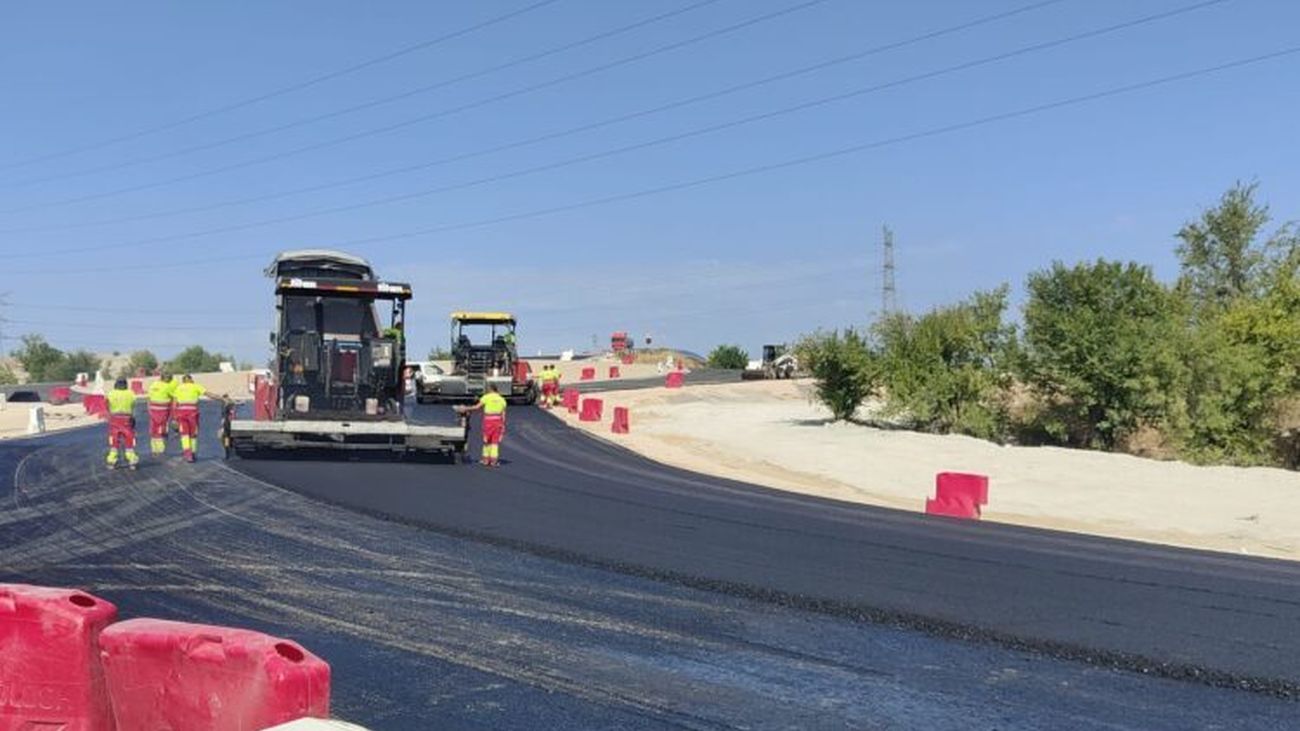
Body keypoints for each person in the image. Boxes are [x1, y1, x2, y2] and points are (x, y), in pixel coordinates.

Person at [457, 383, 507, 467]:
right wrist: (503, 425)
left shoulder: (486, 397)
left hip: (488, 422)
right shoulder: (502, 399)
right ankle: (494, 461)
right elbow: (503, 414)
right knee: (495, 442)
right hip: (498, 422)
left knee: (486, 441)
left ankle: (485, 460)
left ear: (490, 389)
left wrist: (466, 408)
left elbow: (477, 407)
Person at [172, 374, 212, 463]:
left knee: (184, 434)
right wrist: (221, 398)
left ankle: (188, 454)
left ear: (183, 381)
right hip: (193, 414)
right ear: (191, 380)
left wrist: (174, 417)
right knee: (193, 434)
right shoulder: (196, 386)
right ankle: (192, 453)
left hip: (181, 414)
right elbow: (208, 394)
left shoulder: (178, 388)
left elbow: (174, 404)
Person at [106, 378, 140, 470]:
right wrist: (133, 418)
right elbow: (133, 406)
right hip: (126, 418)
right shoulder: (131, 393)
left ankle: (111, 461)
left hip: (114, 418)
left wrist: (109, 414)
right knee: (129, 438)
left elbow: (107, 405)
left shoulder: (111, 393)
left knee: (114, 439)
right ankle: (132, 460)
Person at [146, 372, 176, 456]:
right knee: (160, 428)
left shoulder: (153, 385)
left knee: (153, 428)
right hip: (162, 410)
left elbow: (149, 398)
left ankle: (154, 449)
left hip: (152, 409)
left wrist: (149, 408)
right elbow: (174, 397)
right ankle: (160, 449)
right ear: (166, 379)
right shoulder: (167, 386)